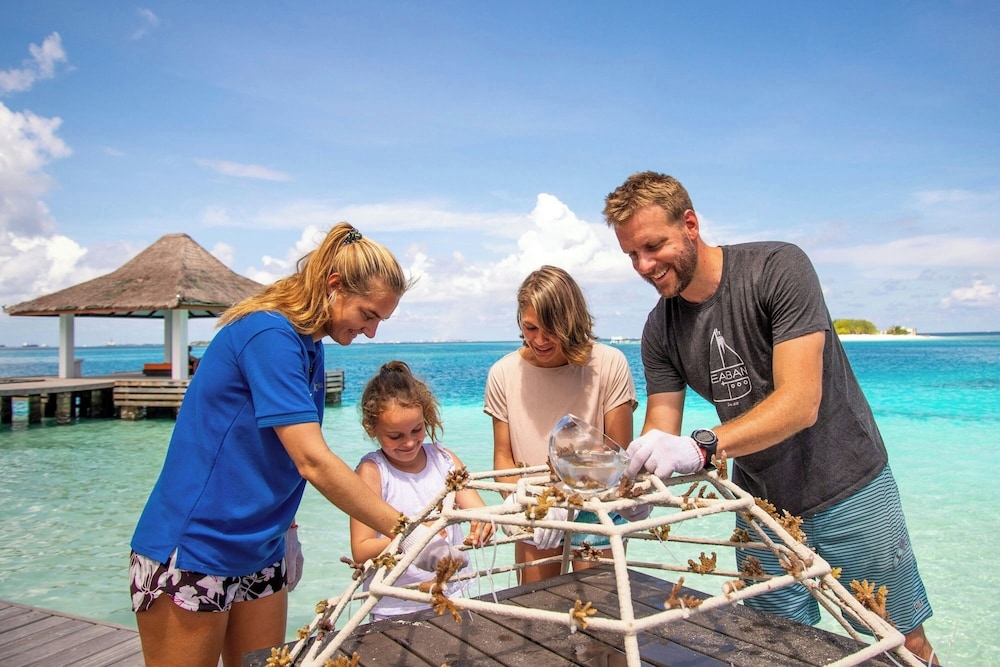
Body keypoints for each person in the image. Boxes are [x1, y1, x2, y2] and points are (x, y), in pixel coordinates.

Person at [602, 171, 936, 662]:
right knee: (779, 648)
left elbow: (801, 402)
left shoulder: (778, 267)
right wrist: (637, 487)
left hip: (848, 486)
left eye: (653, 246)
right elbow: (661, 427)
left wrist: (701, 447)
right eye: (632, 254)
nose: (644, 265)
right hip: (760, 509)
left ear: (690, 224)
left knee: (900, 642)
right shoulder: (659, 328)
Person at [129, 223, 467, 667]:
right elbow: (312, 460)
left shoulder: (310, 344)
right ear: (333, 286)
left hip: (261, 547)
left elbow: (274, 454)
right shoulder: (268, 334)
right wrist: (410, 533)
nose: (371, 332)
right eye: (368, 315)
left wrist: (287, 529)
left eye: (380, 320)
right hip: (194, 547)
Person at [484, 265, 638, 584]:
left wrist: (567, 502)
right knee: (536, 612)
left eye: (551, 329)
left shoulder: (610, 364)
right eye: (530, 328)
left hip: (598, 508)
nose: (539, 340)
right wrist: (528, 507)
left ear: (571, 322)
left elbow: (619, 459)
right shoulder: (502, 373)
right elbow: (503, 460)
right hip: (536, 509)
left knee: (599, 620)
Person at [350, 360, 493, 620]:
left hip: (454, 593)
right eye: (395, 436)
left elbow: (479, 511)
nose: (409, 442)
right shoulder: (373, 472)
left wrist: (481, 527)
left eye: (417, 430)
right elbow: (360, 549)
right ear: (372, 429)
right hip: (396, 605)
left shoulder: (445, 459)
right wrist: (416, 538)